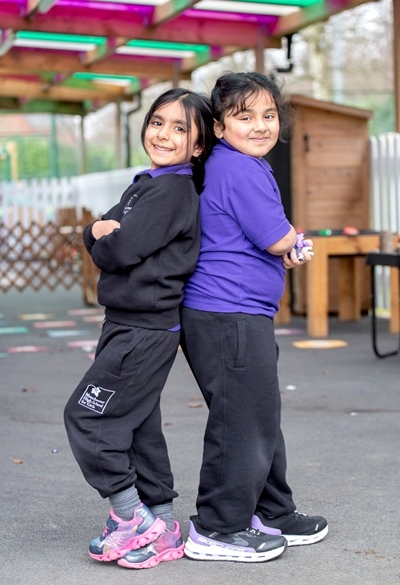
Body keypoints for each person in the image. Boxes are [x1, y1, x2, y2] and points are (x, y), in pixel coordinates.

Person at [180, 71, 328, 563]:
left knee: (257, 416)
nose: (261, 126)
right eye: (245, 117)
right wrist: (297, 242)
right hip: (229, 317)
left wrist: (288, 241)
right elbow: (278, 238)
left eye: (269, 115)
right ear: (220, 127)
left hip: (237, 314)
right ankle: (218, 527)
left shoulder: (236, 163)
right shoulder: (241, 169)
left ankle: (273, 510)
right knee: (240, 422)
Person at [64, 87, 214, 570]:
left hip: (142, 330)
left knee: (88, 417)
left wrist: (104, 238)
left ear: (197, 146)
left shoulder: (172, 190)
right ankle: (165, 524)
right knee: (138, 426)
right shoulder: (147, 183)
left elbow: (118, 249)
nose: (163, 133)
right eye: (157, 121)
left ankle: (131, 518)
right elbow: (98, 230)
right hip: (130, 324)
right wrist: (99, 233)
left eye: (179, 128)